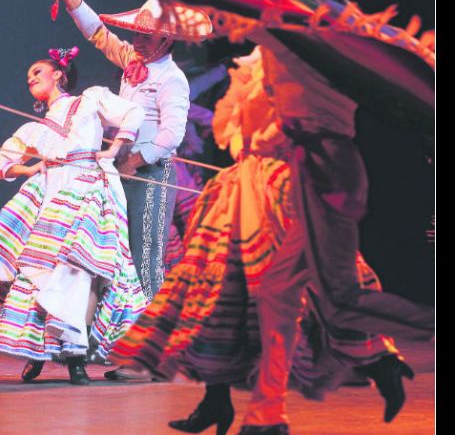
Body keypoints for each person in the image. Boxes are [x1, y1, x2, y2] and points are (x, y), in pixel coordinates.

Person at [109, 47, 417, 435]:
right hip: (240, 185)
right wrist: (247, 143)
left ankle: (379, 362)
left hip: (283, 185)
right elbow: (234, 127)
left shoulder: (307, 69)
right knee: (215, 293)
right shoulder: (254, 68)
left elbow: (314, 124)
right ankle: (215, 400)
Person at [0, 47, 148, 385]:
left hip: (93, 187)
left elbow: (134, 112)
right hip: (52, 195)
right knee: (46, 273)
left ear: (59, 75)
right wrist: (29, 167)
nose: (31, 77)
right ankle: (43, 349)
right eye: (28, 76)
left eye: (38, 71)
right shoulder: (32, 131)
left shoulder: (90, 101)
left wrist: (114, 147)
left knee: (79, 270)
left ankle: (76, 355)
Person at [41, 0, 212, 303]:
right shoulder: (132, 62)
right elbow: (98, 35)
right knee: (120, 252)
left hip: (152, 174)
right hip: (123, 170)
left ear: (165, 40)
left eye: (146, 37)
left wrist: (135, 160)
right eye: (136, 35)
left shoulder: (171, 79)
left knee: (146, 253)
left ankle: (152, 333)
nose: (137, 42)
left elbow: (171, 135)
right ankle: (122, 331)